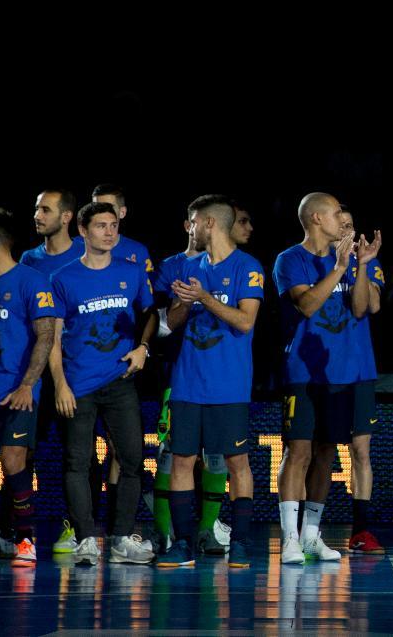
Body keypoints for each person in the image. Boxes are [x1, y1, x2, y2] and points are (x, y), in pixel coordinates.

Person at [156, 195, 264, 568]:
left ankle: (242, 542)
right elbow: (169, 325)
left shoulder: (246, 267)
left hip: (228, 385)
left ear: (209, 224)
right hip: (187, 383)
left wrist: (204, 296)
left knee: (237, 462)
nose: (191, 230)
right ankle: (183, 543)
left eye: (195, 223)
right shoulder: (188, 267)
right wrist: (186, 302)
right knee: (182, 461)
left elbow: (245, 320)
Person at [48, 201, 158, 565]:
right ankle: (84, 540)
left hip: (120, 380)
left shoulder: (130, 272)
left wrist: (143, 347)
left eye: (113, 225)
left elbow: (150, 314)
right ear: (83, 231)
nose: (110, 232)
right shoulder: (62, 278)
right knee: (78, 463)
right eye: (101, 226)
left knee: (132, 460)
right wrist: (60, 385)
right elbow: (52, 338)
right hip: (78, 385)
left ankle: (121, 538)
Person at [273, 193, 377, 564]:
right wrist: (338, 267)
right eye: (336, 214)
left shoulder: (349, 259)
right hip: (302, 372)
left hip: (342, 373)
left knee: (326, 453)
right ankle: (289, 538)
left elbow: (364, 308)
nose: (342, 220)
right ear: (317, 218)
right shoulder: (291, 259)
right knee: (297, 451)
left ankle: (312, 535)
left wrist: (359, 265)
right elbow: (307, 305)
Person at [0, 208, 56, 567]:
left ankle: (25, 540)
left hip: (16, 391)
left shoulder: (32, 282)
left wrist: (27, 386)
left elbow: (46, 336)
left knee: (13, 460)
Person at [150, 214, 232, 557]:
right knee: (171, 454)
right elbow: (159, 324)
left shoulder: (233, 266)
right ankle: (165, 533)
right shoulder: (170, 268)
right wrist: (186, 298)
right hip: (177, 375)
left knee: (217, 456)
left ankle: (207, 529)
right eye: (199, 223)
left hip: (217, 377)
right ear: (189, 226)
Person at [19, 189, 89, 556]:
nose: (37, 214)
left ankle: (74, 526)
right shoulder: (28, 261)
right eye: (35, 208)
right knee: (22, 453)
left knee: (76, 454)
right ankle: (16, 529)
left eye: (44, 209)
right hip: (32, 375)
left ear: (66, 217)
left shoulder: (85, 254)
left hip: (73, 375)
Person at [337, 206, 386, 555]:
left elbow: (370, 307)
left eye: (351, 226)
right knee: (313, 451)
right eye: (340, 226)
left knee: (361, 450)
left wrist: (363, 264)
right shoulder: (311, 262)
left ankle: (361, 529)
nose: (346, 232)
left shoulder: (366, 264)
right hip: (319, 373)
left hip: (359, 371)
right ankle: (307, 528)